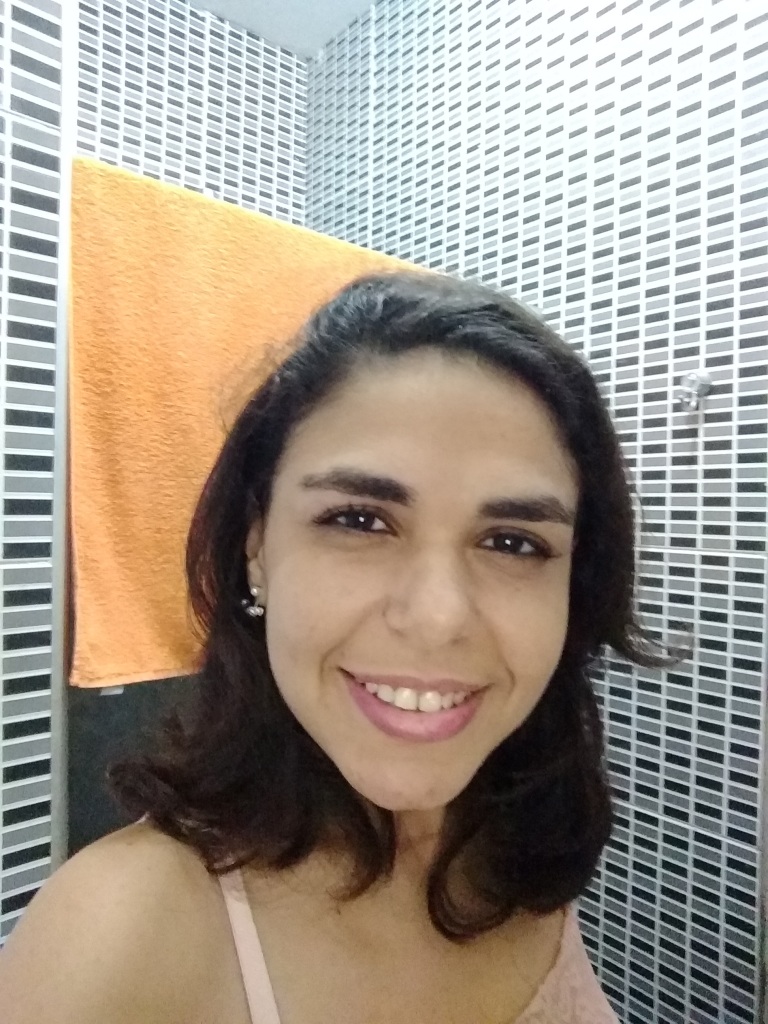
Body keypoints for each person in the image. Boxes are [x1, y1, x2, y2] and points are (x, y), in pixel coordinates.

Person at [0, 270, 665, 1023]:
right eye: (360, 521)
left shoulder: (511, 848)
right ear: (257, 545)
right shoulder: (116, 937)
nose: (438, 617)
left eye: (512, 542)